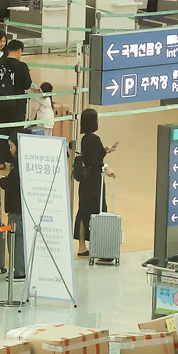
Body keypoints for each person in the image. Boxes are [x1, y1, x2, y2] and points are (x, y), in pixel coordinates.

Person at [74, 110, 111, 257]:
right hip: (94, 182)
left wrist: (104, 151)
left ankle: (82, 246)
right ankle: (98, 245)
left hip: (85, 182)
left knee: (83, 211)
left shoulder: (85, 139)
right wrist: (106, 167)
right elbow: (95, 162)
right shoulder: (94, 139)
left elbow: (92, 156)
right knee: (98, 210)